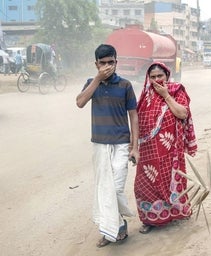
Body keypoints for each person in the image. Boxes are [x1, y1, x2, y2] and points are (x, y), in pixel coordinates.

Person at [76, 44, 140, 248]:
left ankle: (115, 224)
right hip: (100, 145)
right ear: (96, 64)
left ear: (116, 62)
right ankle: (116, 228)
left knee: (116, 187)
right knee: (105, 188)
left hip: (121, 144)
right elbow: (79, 102)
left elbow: (134, 116)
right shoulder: (91, 83)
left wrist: (135, 146)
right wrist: (97, 79)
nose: (107, 66)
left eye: (110, 62)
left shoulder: (125, 85)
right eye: (102, 63)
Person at [134, 62, 197, 234]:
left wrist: (166, 95)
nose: (156, 80)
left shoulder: (177, 90)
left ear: (167, 76)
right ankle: (150, 219)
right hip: (148, 152)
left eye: (159, 76)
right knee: (144, 184)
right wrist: (133, 148)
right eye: (152, 77)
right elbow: (136, 122)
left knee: (170, 180)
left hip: (170, 150)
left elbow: (182, 113)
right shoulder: (144, 96)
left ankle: (176, 212)